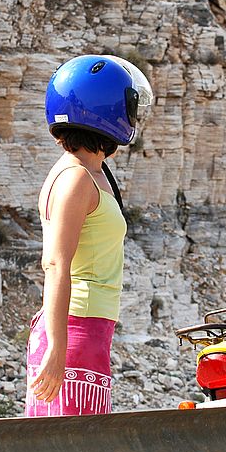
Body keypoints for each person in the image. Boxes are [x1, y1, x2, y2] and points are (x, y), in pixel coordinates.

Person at [25, 54, 153, 417]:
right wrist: (57, 349)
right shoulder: (76, 178)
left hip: (85, 330)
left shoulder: (90, 172)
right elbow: (54, 265)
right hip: (76, 331)